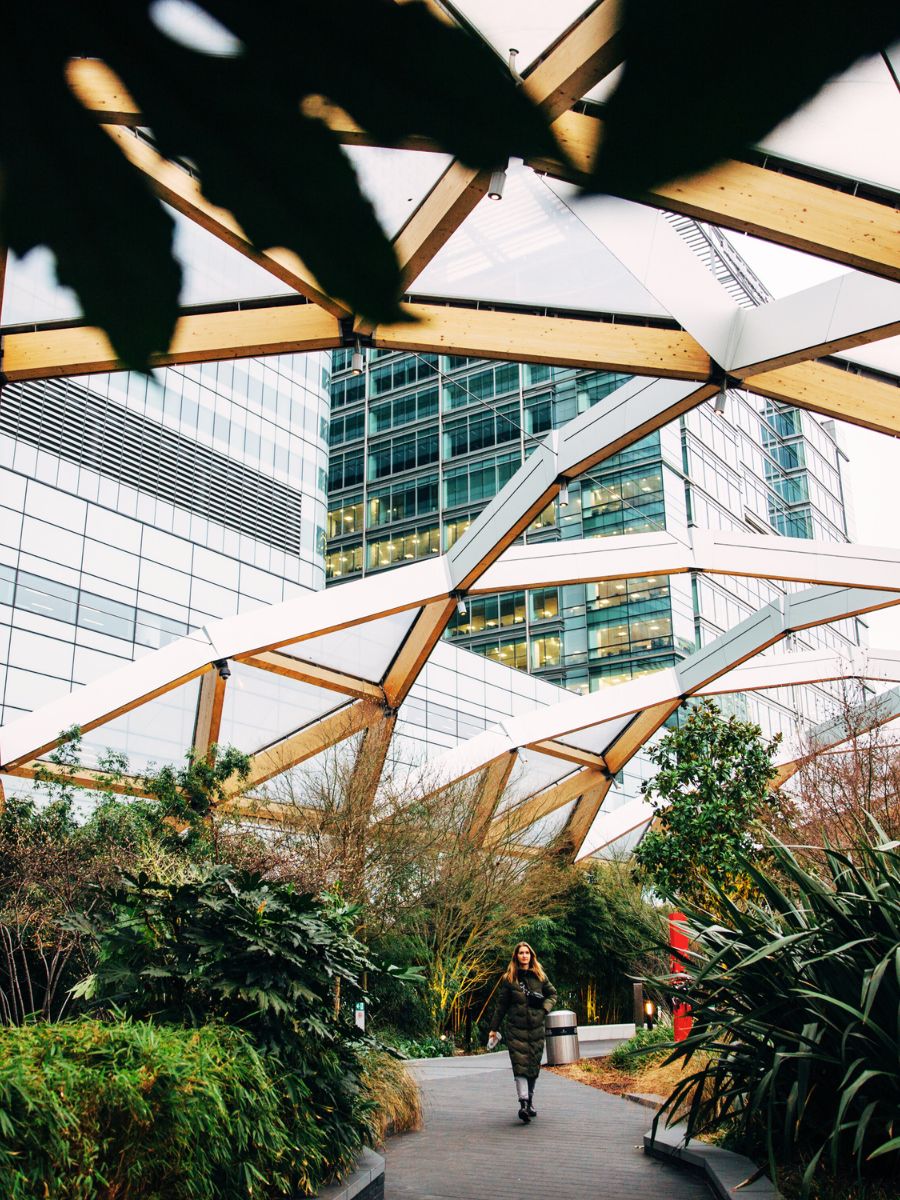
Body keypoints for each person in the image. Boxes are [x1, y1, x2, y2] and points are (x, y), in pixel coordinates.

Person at [488, 941, 557, 1123]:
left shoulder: (540, 976)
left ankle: (530, 1100)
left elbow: (553, 994)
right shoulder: (509, 979)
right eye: (521, 953)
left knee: (533, 1067)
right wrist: (493, 1029)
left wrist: (543, 1010)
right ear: (516, 956)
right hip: (515, 1029)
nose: (524, 956)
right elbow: (501, 1005)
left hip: (536, 1029)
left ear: (531, 955)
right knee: (519, 1066)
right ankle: (523, 1104)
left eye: (527, 953)